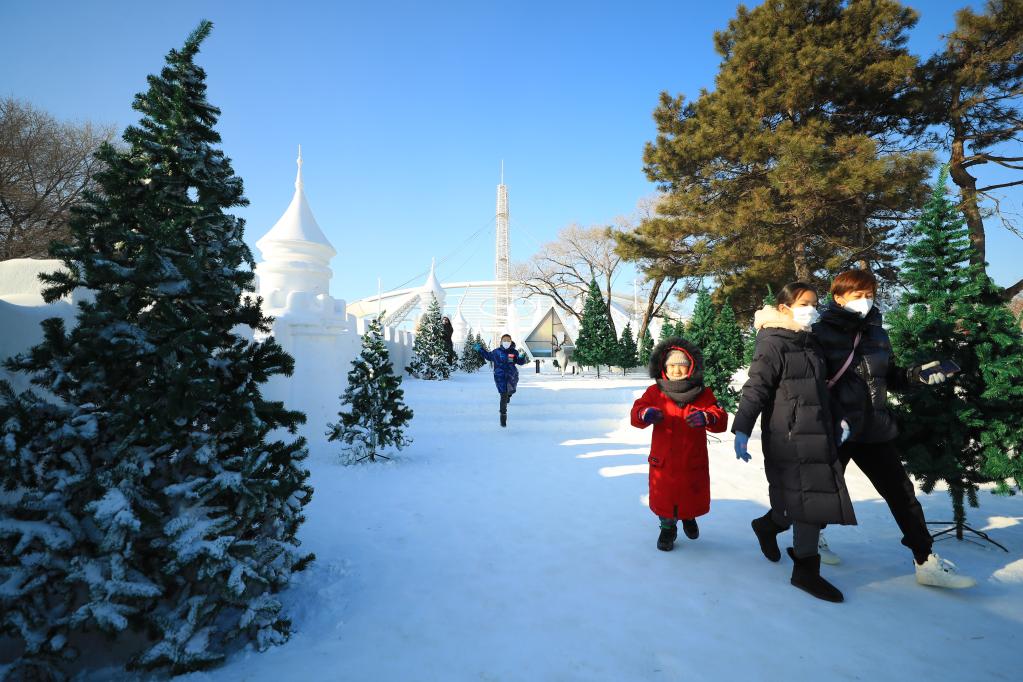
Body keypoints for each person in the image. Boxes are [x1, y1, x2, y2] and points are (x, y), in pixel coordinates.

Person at [812, 269, 975, 589]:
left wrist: (920, 376)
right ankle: (809, 540)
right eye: (857, 295)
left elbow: (891, 377)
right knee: (824, 491)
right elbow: (810, 385)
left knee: (902, 494)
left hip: (875, 429)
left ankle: (925, 560)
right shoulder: (819, 334)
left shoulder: (878, 334)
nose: (865, 300)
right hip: (839, 430)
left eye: (869, 293)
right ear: (838, 297)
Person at [733, 282, 856, 603]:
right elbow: (755, 387)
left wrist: (839, 416)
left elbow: (822, 388)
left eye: (815, 303)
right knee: (809, 502)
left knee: (802, 500)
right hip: (788, 435)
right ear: (785, 307)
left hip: (817, 430)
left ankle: (768, 526)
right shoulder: (773, 343)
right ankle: (805, 571)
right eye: (805, 303)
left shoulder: (810, 341)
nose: (812, 309)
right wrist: (742, 429)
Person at [631, 337, 727, 552]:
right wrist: (645, 413)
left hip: (691, 457)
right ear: (664, 367)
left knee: (689, 492)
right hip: (663, 459)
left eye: (681, 365)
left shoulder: (703, 393)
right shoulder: (654, 393)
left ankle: (688, 517)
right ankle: (667, 528)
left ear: (691, 367)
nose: (676, 370)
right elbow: (636, 413)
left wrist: (707, 417)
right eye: (672, 365)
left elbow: (720, 417)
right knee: (665, 496)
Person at [475, 334, 529, 427]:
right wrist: (480, 349)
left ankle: (509, 396)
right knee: (503, 395)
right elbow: (488, 356)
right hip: (500, 377)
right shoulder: (496, 352)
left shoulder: (514, 352)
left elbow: (520, 362)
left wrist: (522, 357)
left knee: (510, 392)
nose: (506, 342)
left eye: (508, 340)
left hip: (512, 376)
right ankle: (503, 417)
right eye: (504, 340)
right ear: (501, 341)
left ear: (511, 341)